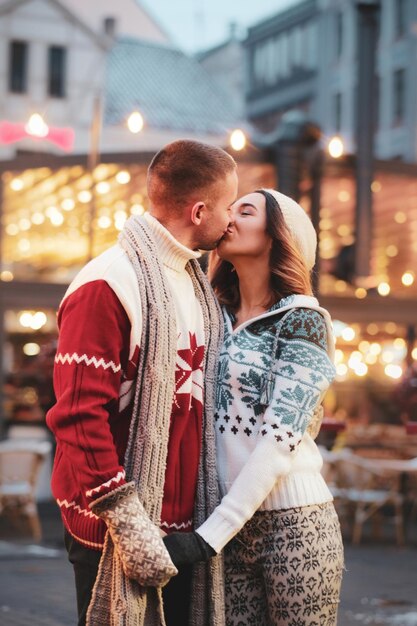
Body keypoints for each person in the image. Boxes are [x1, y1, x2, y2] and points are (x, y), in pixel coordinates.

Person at [46, 139, 238, 626]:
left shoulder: (198, 288)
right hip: (114, 526)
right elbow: (77, 413)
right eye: (229, 205)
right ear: (199, 211)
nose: (233, 217)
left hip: (183, 527)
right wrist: (127, 523)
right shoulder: (108, 281)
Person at [166, 189, 344, 625]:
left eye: (246, 211)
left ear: (279, 235)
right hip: (225, 525)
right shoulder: (212, 317)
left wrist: (210, 536)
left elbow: (280, 439)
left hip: (295, 525)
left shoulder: (304, 320)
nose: (230, 217)